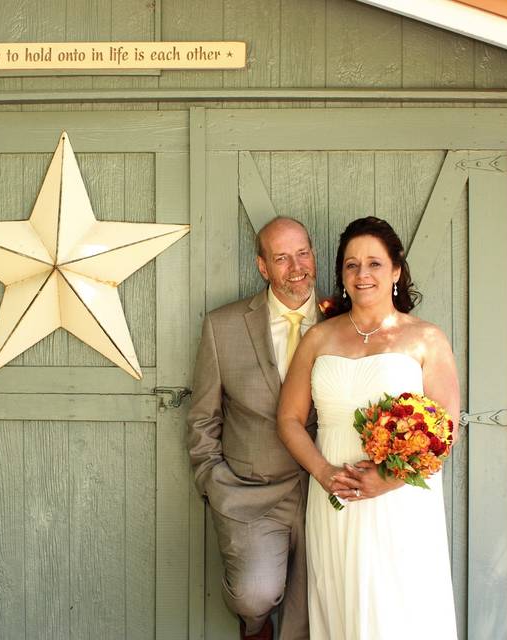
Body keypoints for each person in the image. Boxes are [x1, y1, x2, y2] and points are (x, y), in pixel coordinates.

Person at [277, 216, 459, 639]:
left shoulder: (426, 339)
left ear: (396, 270)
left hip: (400, 502)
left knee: (398, 610)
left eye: (374, 264)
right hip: (336, 499)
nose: (363, 275)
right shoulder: (319, 339)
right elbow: (288, 419)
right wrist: (323, 474)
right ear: (342, 275)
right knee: (342, 608)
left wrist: (388, 479)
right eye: (352, 265)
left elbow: (445, 429)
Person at [187, 216, 320, 640]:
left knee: (317, 605)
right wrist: (214, 481)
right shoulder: (222, 326)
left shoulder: (347, 319)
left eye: (302, 253)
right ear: (263, 266)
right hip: (252, 492)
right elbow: (203, 416)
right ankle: (254, 627)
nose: (296, 267)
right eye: (281, 258)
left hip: (328, 490)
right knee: (254, 594)